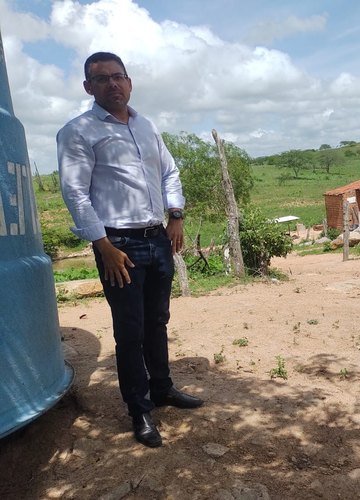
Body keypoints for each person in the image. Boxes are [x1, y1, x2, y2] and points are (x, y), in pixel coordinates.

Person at [57, 52, 203, 448]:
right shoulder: (78, 131)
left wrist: (176, 215)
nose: (112, 84)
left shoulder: (146, 126)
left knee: (157, 320)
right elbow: (74, 192)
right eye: (101, 79)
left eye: (118, 76)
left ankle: (163, 389)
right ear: (89, 87)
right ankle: (139, 409)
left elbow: (169, 172)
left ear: (130, 81)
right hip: (117, 245)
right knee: (130, 331)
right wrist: (101, 244)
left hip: (157, 237)